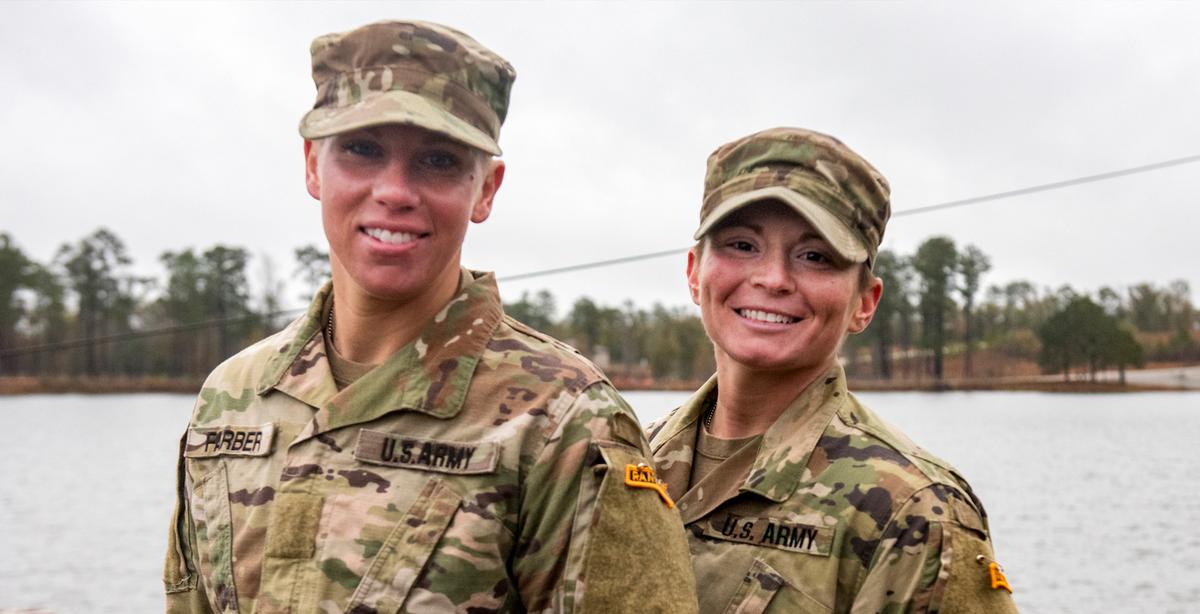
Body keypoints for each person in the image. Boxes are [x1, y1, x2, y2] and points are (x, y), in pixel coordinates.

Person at [162, 20, 697, 613]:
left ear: (486, 189)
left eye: (438, 161)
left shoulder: (563, 421)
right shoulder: (231, 397)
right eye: (362, 150)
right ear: (314, 164)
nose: (394, 190)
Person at [647, 127, 1019, 613]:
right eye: (741, 245)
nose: (773, 278)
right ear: (695, 272)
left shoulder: (914, 513)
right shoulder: (625, 460)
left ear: (865, 302)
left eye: (815, 257)